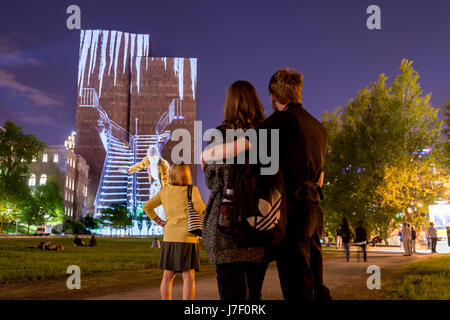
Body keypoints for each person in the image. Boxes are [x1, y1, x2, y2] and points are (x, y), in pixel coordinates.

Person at [202, 69, 331, 300]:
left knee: (296, 286)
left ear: (273, 96)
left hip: (276, 214)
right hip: (310, 209)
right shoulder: (318, 128)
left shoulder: (281, 122)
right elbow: (320, 177)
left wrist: (208, 154)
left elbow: (239, 151)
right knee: (314, 282)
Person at [202, 80, 270, 301]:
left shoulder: (218, 136)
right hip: (258, 221)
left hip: (226, 223)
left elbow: (213, 182)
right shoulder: (267, 135)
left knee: (232, 297)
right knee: (254, 295)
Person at [143, 163, 205, 300]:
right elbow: (200, 208)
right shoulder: (191, 190)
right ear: (186, 175)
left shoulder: (164, 191)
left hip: (169, 236)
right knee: (188, 275)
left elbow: (147, 207)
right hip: (187, 237)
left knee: (167, 275)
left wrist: (160, 221)